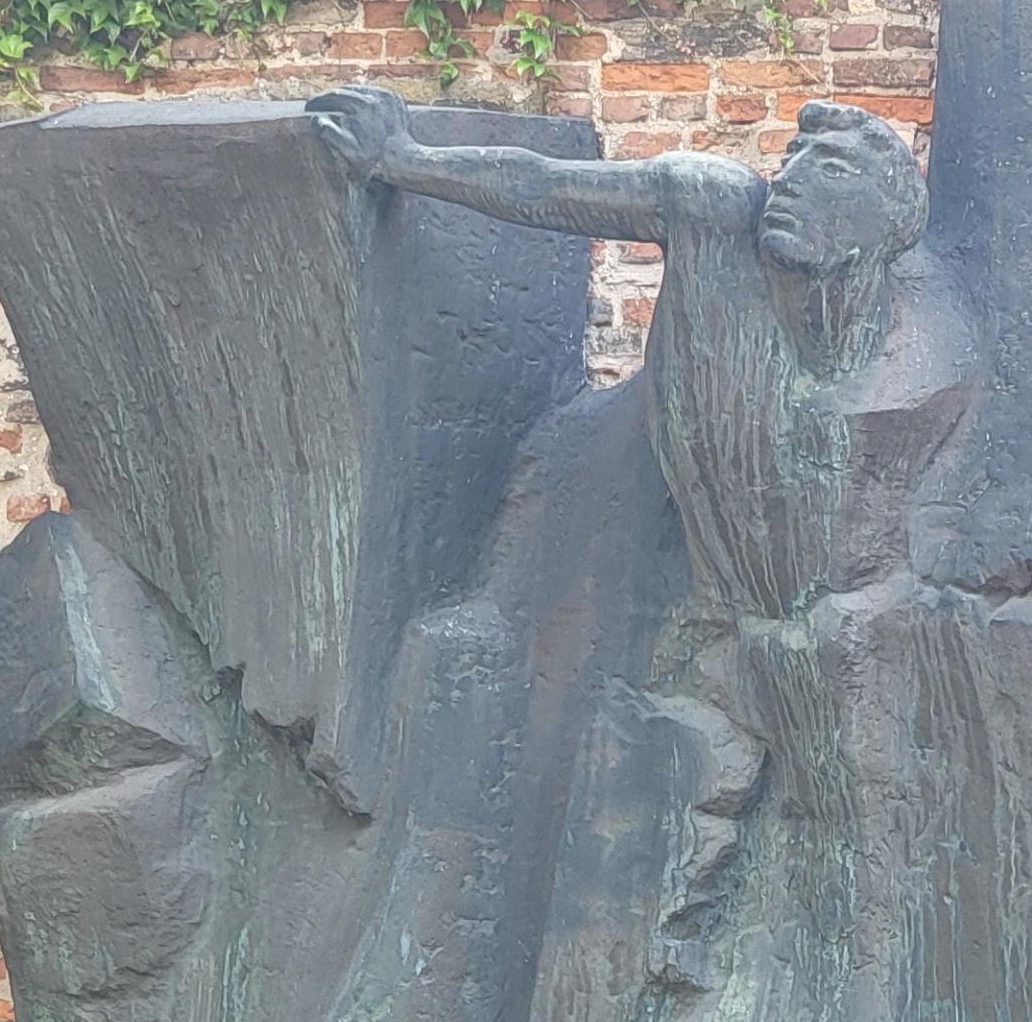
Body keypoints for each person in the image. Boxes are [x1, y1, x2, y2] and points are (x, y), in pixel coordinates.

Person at [306, 87, 937, 626]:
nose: (788, 181)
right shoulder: (712, 209)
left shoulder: (925, 368)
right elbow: (544, 184)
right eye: (789, 159)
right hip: (649, 536)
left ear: (888, 224)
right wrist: (401, 159)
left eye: (828, 170)